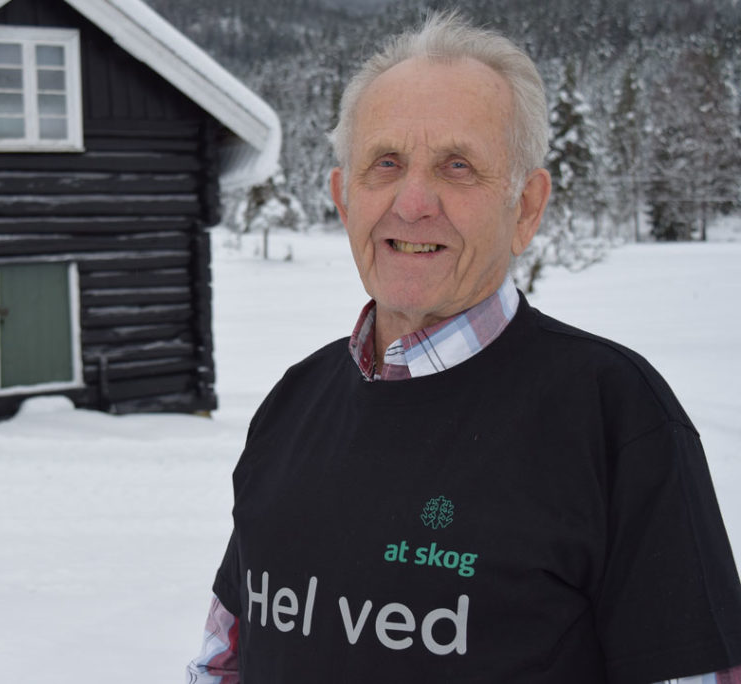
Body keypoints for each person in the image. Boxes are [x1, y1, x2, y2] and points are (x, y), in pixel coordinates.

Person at [187, 10, 741, 684]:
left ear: (526, 207)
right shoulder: (293, 404)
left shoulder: (615, 416)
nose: (414, 202)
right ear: (344, 198)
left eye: (458, 166)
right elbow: (223, 662)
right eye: (385, 163)